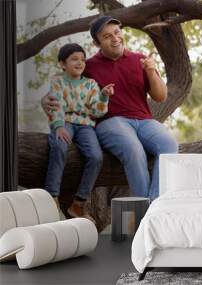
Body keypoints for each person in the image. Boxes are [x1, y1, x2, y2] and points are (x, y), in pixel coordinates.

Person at [42, 16, 178, 201]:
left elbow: (160, 96)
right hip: (110, 122)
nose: (115, 38)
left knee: (169, 145)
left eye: (117, 32)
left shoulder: (140, 59)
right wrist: (45, 100)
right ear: (97, 43)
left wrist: (150, 71)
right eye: (107, 36)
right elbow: (63, 84)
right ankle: (145, 208)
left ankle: (153, 203)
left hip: (144, 121)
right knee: (134, 150)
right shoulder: (88, 66)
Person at [44, 43, 114, 222]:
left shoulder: (90, 84)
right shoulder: (58, 81)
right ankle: (51, 196)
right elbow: (56, 105)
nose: (80, 62)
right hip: (64, 122)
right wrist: (58, 126)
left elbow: (98, 112)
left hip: (85, 126)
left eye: (82, 59)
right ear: (62, 64)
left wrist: (104, 96)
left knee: (96, 156)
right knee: (59, 146)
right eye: (74, 59)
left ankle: (79, 202)